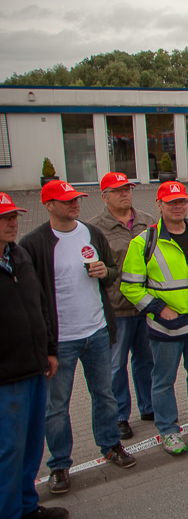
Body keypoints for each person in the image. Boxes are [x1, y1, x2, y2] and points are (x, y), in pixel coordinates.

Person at [21, 181, 136, 494]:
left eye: (77, 199)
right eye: (67, 201)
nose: (75, 205)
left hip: (97, 330)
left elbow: (113, 271)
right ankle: (59, 464)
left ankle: (111, 445)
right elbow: (30, 295)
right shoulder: (34, 243)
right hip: (61, 339)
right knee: (57, 406)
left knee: (105, 394)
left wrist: (105, 273)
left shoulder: (90, 233)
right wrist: (43, 343)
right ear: (48, 204)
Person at [121, 181, 188, 456]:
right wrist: (157, 308)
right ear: (159, 205)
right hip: (165, 327)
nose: (178, 207)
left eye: (181, 202)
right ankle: (167, 430)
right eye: (171, 203)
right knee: (164, 380)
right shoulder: (144, 241)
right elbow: (129, 286)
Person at [0, 193, 70, 519]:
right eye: (4, 219)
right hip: (5, 377)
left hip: (34, 367)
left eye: (14, 216)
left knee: (30, 445)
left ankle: (26, 506)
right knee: (7, 451)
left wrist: (49, 349)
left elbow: (40, 306)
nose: (13, 223)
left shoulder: (19, 256)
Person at [88, 172, 156, 441]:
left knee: (146, 360)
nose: (124, 194)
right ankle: (120, 417)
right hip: (117, 309)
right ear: (104, 197)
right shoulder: (95, 229)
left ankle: (149, 406)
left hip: (146, 305)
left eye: (127, 189)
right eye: (117, 191)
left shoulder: (148, 222)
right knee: (116, 365)